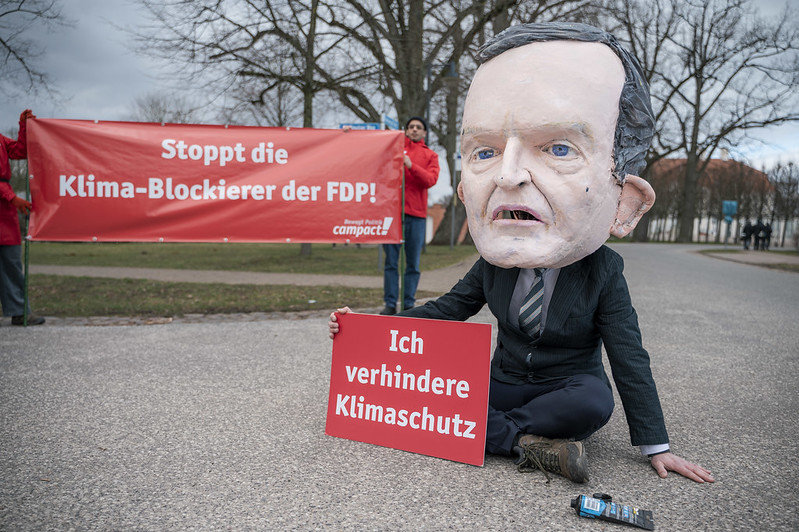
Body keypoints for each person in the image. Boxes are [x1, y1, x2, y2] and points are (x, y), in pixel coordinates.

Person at [330, 22, 714, 485]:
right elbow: (447, 310)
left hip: (565, 387)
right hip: (504, 383)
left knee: (593, 402)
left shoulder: (603, 271)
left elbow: (628, 354)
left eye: (557, 148)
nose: (507, 176)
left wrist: (658, 445)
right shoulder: (493, 262)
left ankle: (487, 434)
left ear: (624, 204)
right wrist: (366, 327)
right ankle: (523, 443)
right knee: (431, 388)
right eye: (485, 152)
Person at [380, 117, 439, 315]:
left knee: (412, 264)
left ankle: (408, 304)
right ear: (406, 131)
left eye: (418, 127)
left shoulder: (430, 155)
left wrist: (411, 165)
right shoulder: (394, 150)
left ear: (424, 133)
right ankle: (389, 304)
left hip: (417, 215)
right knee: (391, 263)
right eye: (411, 127)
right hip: (394, 215)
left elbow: (431, 180)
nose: (414, 130)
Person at [1, 109, 45, 326]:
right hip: (7, 200)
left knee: (11, 262)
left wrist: (25, 126)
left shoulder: (0, 140)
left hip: (5, 213)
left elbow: (22, 151)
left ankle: (19, 311)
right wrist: (11, 197)